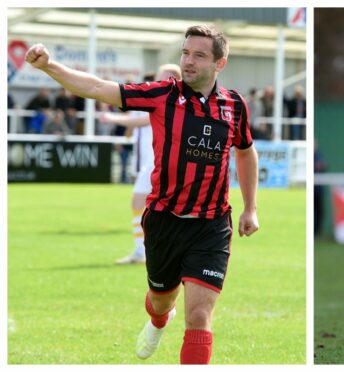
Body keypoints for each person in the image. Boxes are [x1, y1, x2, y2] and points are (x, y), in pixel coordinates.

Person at [25, 24, 259, 364]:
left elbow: (246, 150)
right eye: (185, 53)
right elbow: (96, 87)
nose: (188, 61)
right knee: (161, 299)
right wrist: (49, 65)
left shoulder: (234, 106)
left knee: (199, 317)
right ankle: (159, 319)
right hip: (164, 221)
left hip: (211, 225)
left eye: (199, 55)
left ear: (219, 64)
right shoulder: (164, 94)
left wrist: (250, 208)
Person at [100, 66, 182, 265]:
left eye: (162, 78)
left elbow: (142, 120)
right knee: (146, 204)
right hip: (153, 160)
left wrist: (112, 117)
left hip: (160, 160)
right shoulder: (158, 97)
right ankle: (147, 250)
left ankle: (148, 250)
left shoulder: (170, 99)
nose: (158, 81)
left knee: (147, 203)